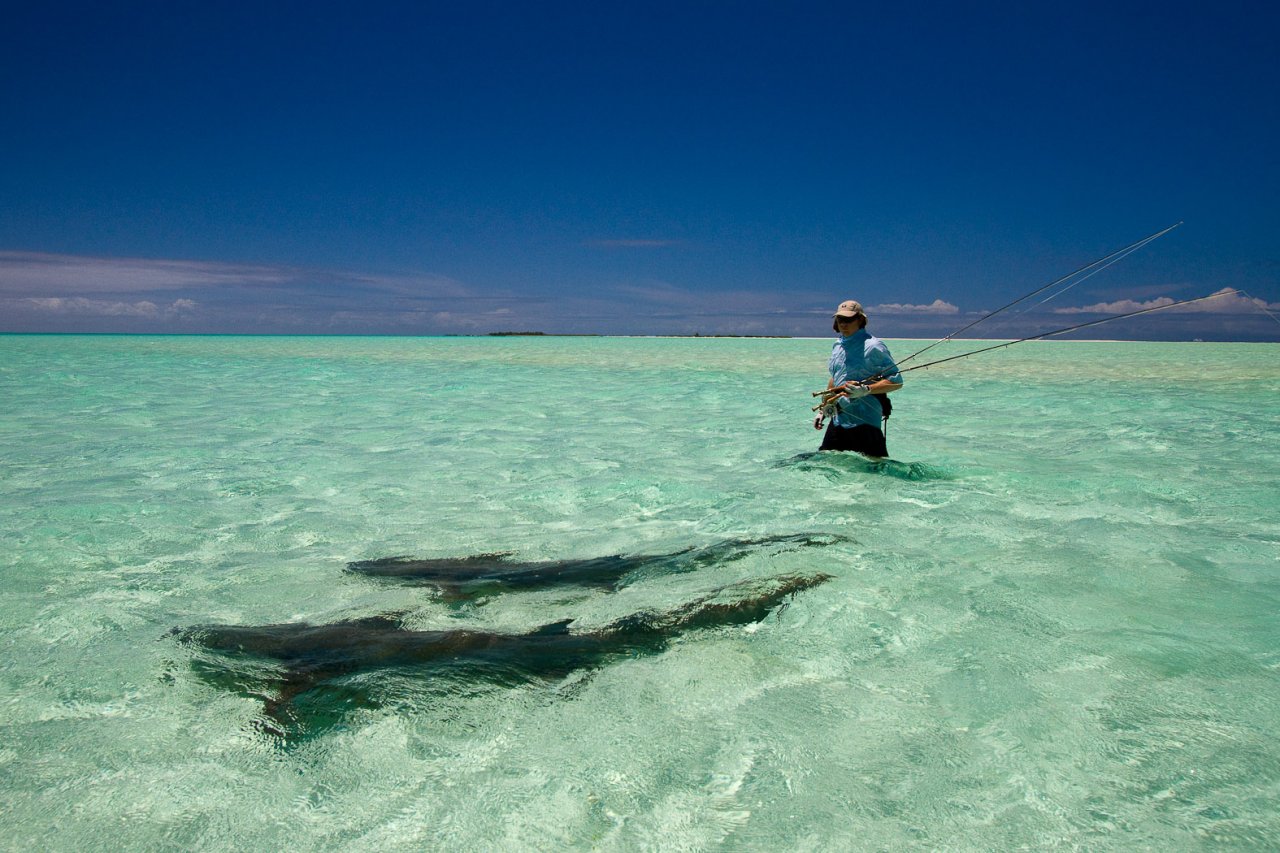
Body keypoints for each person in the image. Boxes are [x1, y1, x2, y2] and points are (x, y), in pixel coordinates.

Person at [817, 300, 903, 457]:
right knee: (826, 461)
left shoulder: (873, 346)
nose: (844, 324)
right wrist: (824, 407)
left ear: (860, 320)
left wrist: (866, 390)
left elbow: (896, 381)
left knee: (876, 469)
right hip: (839, 417)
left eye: (849, 319)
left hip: (866, 420)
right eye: (840, 319)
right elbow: (835, 378)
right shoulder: (837, 345)